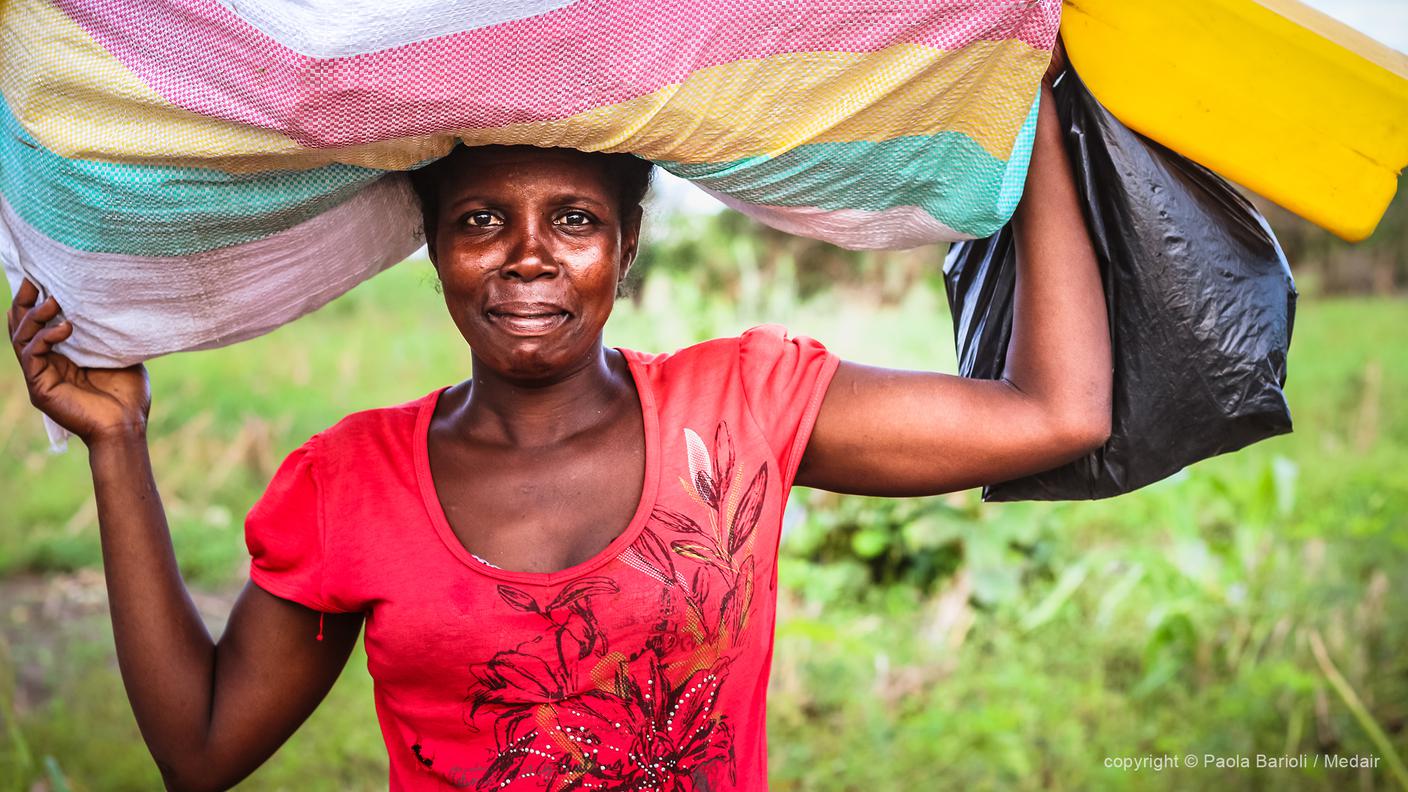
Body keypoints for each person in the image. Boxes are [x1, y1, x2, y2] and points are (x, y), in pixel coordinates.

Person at [6, 66, 1110, 791]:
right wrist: (118, 450)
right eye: (481, 220)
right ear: (433, 249)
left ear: (626, 250)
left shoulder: (742, 410)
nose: (527, 254)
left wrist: (1035, 110)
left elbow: (1055, 413)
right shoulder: (350, 485)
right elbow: (200, 752)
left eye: (573, 220)